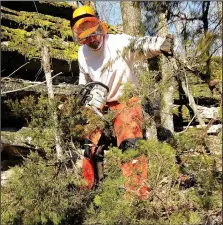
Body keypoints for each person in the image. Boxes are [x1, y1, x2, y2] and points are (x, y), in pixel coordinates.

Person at [70, 5, 174, 199]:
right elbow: (83, 81)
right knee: (88, 144)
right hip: (99, 105)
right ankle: (87, 188)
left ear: (100, 27)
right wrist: (84, 103)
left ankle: (137, 193)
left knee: (129, 141)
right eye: (85, 36)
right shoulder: (82, 54)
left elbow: (141, 45)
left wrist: (161, 44)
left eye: (93, 33)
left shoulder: (118, 43)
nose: (91, 40)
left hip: (126, 100)